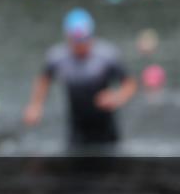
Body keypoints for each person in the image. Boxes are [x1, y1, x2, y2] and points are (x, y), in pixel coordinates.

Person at [22, 8, 136, 149]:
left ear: (91, 36)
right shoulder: (57, 58)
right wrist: (36, 105)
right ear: (68, 38)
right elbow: (44, 80)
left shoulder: (107, 56)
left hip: (106, 127)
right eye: (76, 41)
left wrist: (117, 97)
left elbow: (130, 84)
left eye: (84, 40)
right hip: (77, 126)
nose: (80, 46)